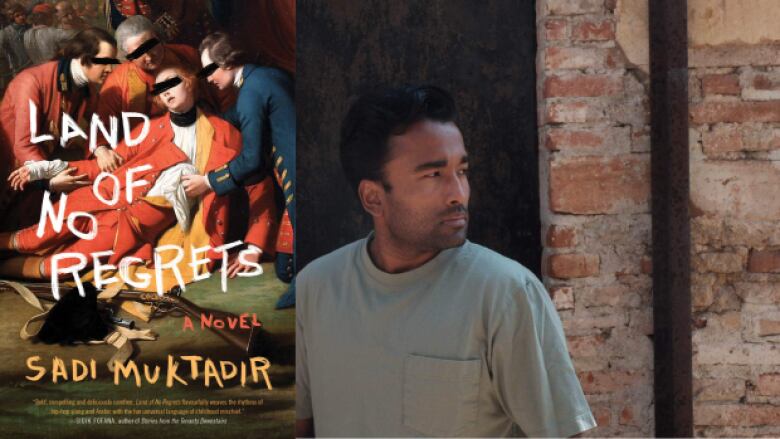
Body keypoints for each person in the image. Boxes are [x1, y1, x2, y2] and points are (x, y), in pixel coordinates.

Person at [295, 85, 597, 437]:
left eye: (462, 171)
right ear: (373, 198)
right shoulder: (315, 289)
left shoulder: (506, 293)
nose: (458, 192)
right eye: (433, 175)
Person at [0, 67, 241, 285]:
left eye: (172, 84)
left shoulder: (223, 134)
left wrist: (253, 245)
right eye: (160, 89)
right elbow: (101, 167)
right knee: (31, 240)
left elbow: (255, 184)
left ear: (189, 82)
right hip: (98, 200)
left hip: (129, 227)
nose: (166, 93)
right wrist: (40, 170)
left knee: (60, 267)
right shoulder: (148, 129)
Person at [189, 32, 295, 299]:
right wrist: (206, 123)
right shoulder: (264, 76)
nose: (208, 78)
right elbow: (235, 116)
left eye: (210, 70)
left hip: (299, 183)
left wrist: (209, 182)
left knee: (287, 272)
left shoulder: (250, 91)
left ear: (226, 63)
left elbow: (252, 160)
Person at [0, 27, 119, 232]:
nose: (110, 69)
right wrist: (50, 181)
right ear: (84, 58)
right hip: (11, 168)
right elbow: (23, 145)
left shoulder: (85, 85)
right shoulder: (31, 82)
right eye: (105, 62)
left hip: (41, 164)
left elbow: (96, 121)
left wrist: (100, 148)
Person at [95, 14, 227, 172]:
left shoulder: (187, 55)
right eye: (139, 54)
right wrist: (101, 150)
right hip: (149, 150)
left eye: (151, 46)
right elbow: (100, 124)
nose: (149, 57)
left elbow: (221, 94)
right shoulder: (118, 80)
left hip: (201, 134)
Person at [0, 2, 32, 78]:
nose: (21, 17)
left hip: (32, 65)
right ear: (12, 18)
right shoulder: (6, 32)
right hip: (17, 67)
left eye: (23, 14)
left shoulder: (30, 29)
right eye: (17, 15)